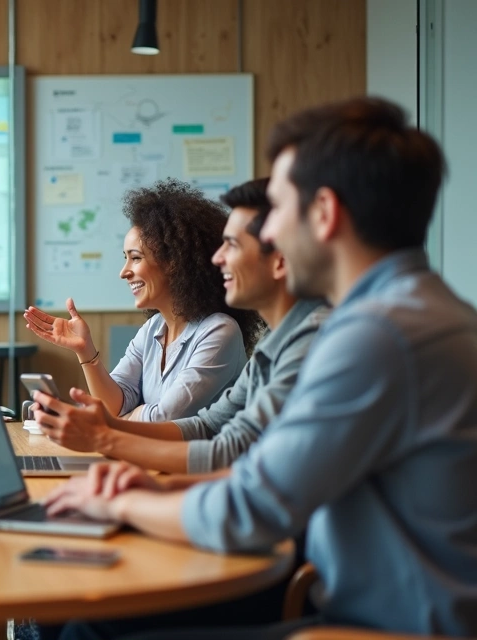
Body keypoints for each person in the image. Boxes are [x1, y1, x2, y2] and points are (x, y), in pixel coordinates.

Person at [43, 97, 477, 639]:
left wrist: (119, 500)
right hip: (375, 610)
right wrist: (157, 492)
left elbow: (249, 509)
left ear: (323, 213)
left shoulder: (376, 336)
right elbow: (264, 471)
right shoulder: (421, 313)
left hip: (386, 626)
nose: (267, 235)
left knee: (91, 628)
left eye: (280, 205)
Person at [33, 179, 328, 473]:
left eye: (233, 245)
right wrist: (107, 424)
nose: (217, 257)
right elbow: (208, 427)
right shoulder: (272, 344)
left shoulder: (305, 341)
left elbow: (220, 446)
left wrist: (107, 435)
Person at [25, 179, 263, 424]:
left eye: (135, 258)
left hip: (202, 462)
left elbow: (165, 418)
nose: (124, 272)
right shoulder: (153, 329)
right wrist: (85, 350)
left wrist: (117, 420)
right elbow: (113, 405)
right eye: (125, 258)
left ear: (175, 262)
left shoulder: (220, 331)